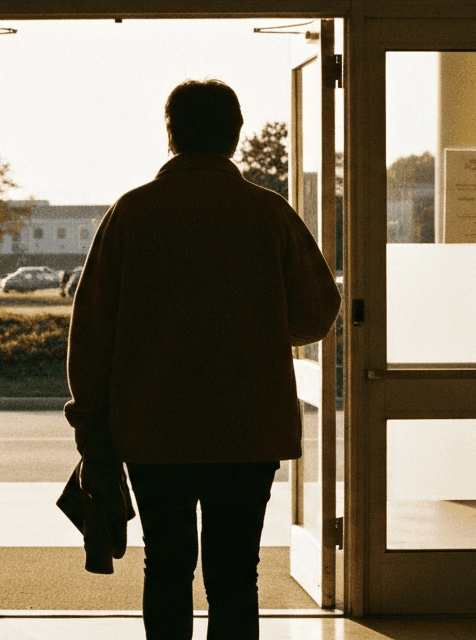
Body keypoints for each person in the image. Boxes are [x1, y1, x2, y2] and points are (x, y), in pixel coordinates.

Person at [65, 79, 341, 640]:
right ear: (235, 135)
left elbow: (91, 333)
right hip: (248, 428)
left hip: (153, 427)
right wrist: (260, 325)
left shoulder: (132, 212)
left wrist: (92, 426)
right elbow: (316, 314)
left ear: (170, 133)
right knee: (235, 573)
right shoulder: (268, 213)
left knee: (166, 566)